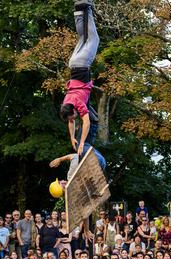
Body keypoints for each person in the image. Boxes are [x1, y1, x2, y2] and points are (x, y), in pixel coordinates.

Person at [59, 0, 100, 159]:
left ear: (73, 109)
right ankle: (78, 11)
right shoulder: (66, 103)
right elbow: (70, 121)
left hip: (82, 64)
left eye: (73, 116)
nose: (73, 119)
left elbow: (87, 123)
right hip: (73, 63)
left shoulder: (78, 104)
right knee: (83, 38)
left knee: (94, 40)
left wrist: (82, 142)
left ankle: (87, 8)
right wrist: (71, 137)